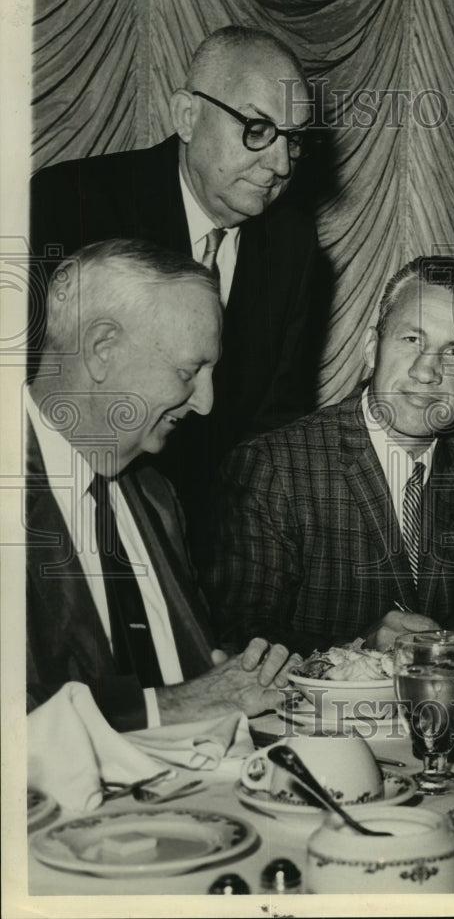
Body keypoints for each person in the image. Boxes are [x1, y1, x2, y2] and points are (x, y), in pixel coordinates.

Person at [29, 26, 322, 567]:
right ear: (187, 116)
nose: (280, 164)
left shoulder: (293, 244)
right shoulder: (68, 202)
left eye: (294, 139)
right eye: (257, 129)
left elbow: (274, 422)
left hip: (216, 546)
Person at [208, 256, 454, 680]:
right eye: (411, 340)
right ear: (371, 348)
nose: (426, 371)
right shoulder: (274, 466)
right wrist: (357, 645)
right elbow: (239, 636)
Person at [26, 239, 300, 733]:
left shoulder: (156, 496)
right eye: (189, 371)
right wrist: (174, 705)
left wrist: (240, 676)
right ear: (102, 349)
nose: (206, 403)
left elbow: (191, 674)